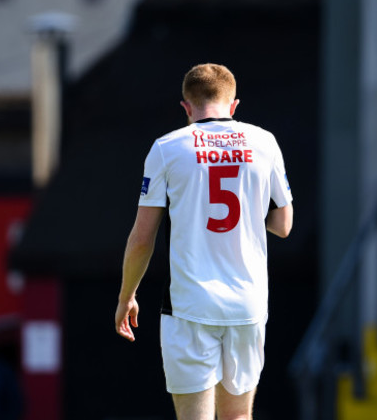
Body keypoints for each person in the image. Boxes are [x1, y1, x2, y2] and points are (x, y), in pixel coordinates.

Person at [114, 63, 293, 420]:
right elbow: (284, 224)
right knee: (238, 416)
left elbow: (142, 238)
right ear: (234, 105)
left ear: (185, 107)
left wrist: (126, 296)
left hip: (191, 305)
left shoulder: (168, 148)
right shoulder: (264, 142)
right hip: (247, 302)